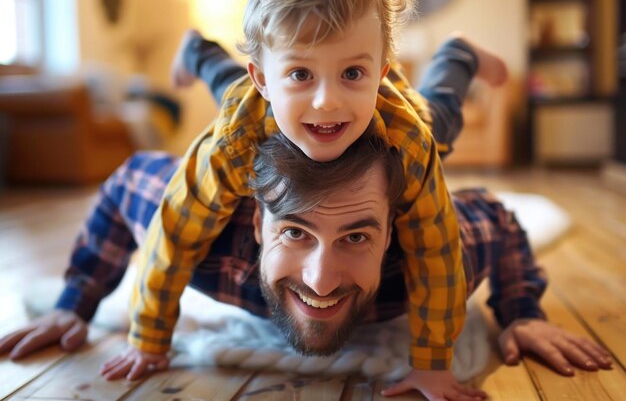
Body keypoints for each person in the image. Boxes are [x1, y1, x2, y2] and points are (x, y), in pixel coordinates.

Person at [95, 0, 512, 397]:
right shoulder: (234, 142)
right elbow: (174, 231)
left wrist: (433, 365)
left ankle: (458, 54)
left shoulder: (406, 140)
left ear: (380, 72)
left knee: (442, 121)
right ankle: (197, 49)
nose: (327, 101)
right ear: (265, 79)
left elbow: (437, 251)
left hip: (377, 113)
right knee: (228, 88)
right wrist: (150, 338)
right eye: (301, 74)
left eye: (353, 73)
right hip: (256, 108)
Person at [0, 131, 612, 401]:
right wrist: (74, 299)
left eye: (355, 235)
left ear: (393, 230)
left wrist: (520, 310)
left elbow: (498, 218)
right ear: (259, 225)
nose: (321, 281)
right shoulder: (205, 238)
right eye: (295, 231)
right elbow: (127, 179)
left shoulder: (425, 261)